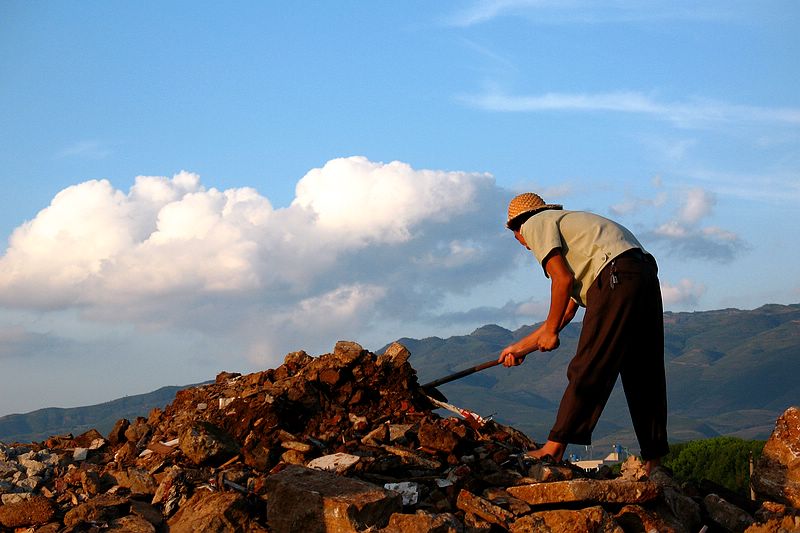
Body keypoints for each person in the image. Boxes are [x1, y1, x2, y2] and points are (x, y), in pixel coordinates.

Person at [499, 193, 668, 473]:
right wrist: (520, 348)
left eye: (520, 241)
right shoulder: (576, 237)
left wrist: (551, 332)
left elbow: (561, 280)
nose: (526, 247)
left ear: (517, 228)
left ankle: (554, 447)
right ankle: (654, 460)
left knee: (590, 363)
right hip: (642, 273)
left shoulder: (534, 223)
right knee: (643, 371)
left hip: (614, 274)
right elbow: (565, 312)